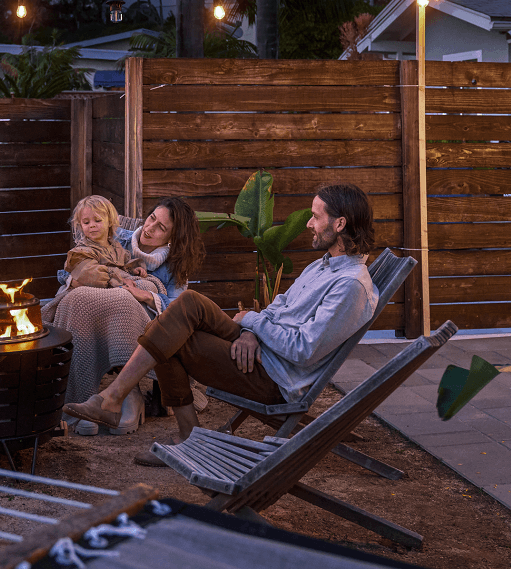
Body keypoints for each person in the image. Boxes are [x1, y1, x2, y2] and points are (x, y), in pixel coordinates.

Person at [62, 183, 379, 466]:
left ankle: (129, 408)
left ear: (339, 224)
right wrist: (251, 332)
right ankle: (118, 401)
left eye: (316, 216)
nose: (309, 223)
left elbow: (304, 349)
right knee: (187, 307)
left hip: (271, 374)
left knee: (172, 333)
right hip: (259, 347)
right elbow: (281, 306)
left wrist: (251, 322)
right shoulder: (324, 266)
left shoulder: (350, 287)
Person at [42, 196, 205, 436]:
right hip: (96, 300)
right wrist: (76, 278)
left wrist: (148, 295)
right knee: (77, 300)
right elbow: (72, 266)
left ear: (174, 237)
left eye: (161, 228)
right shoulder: (116, 237)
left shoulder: (174, 266)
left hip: (137, 311)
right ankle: (85, 396)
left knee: (123, 300)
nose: (150, 228)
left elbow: (179, 307)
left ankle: (129, 393)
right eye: (151, 219)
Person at [60, 195, 147, 290]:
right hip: (89, 289)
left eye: (97, 220)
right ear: (80, 225)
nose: (92, 225)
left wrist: (133, 269)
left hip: (110, 286)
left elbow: (124, 263)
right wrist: (119, 279)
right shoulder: (81, 252)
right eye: (86, 223)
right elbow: (90, 273)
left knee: (146, 285)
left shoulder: (116, 247)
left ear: (110, 221)